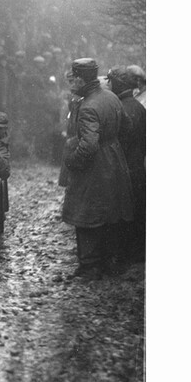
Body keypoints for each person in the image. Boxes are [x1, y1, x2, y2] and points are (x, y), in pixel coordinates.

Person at [61, 58, 134, 279]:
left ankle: (90, 267)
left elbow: (89, 145)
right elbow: (127, 127)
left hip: (94, 166)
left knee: (86, 213)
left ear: (82, 79)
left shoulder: (88, 106)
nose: (72, 82)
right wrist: (112, 144)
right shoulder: (110, 96)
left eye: (75, 78)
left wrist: (73, 161)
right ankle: (108, 264)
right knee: (110, 212)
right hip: (114, 159)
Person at [109, 66, 146, 262]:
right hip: (137, 164)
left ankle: (128, 256)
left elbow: (123, 141)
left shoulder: (125, 108)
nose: (109, 85)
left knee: (128, 212)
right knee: (136, 209)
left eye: (111, 82)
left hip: (128, 167)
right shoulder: (136, 106)